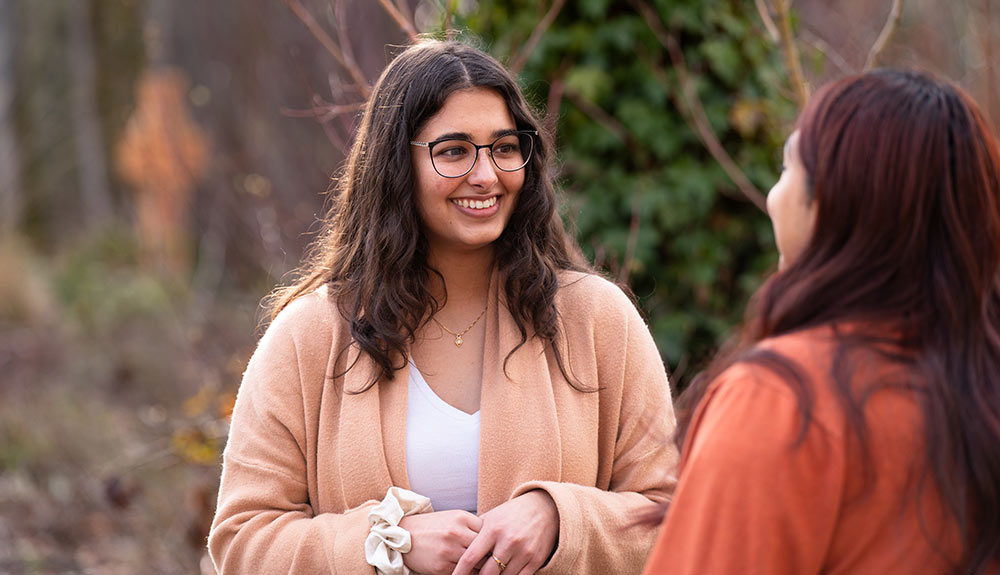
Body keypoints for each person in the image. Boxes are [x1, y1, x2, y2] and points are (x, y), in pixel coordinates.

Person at [209, 39, 677, 575]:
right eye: (453, 151)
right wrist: (388, 544)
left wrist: (559, 518)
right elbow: (243, 541)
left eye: (504, 147)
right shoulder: (310, 336)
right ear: (395, 166)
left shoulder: (597, 319)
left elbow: (672, 515)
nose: (486, 175)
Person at [643, 69, 1000, 574]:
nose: (772, 197)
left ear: (835, 204)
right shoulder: (980, 387)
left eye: (788, 167)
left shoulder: (783, 400)